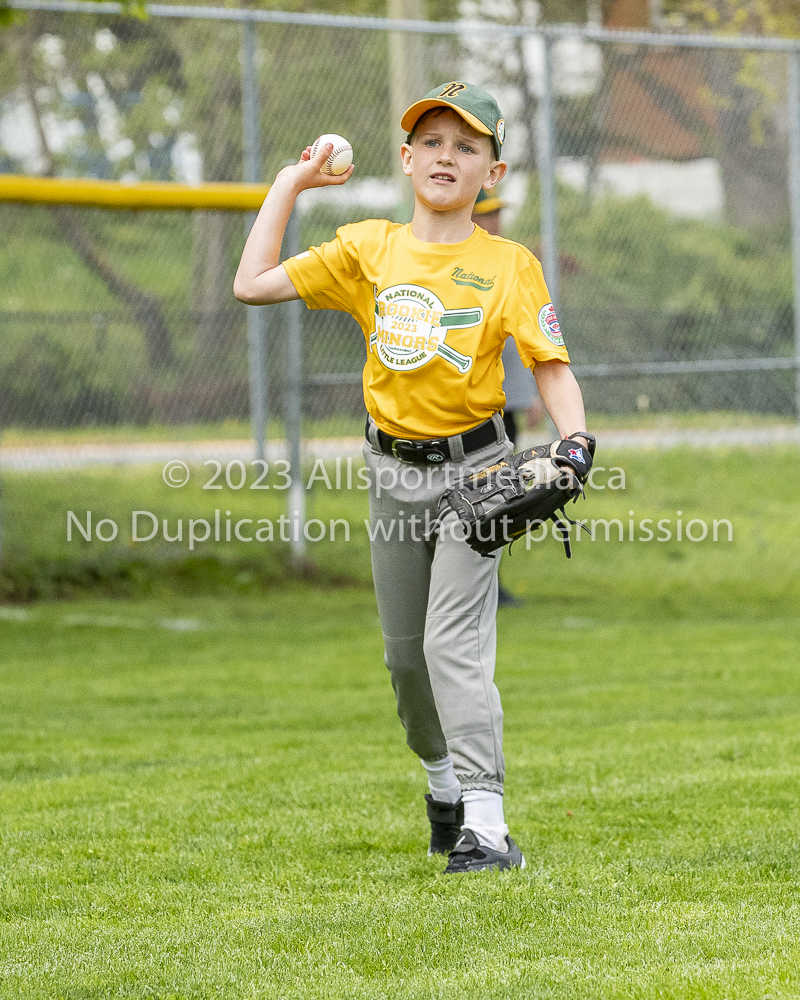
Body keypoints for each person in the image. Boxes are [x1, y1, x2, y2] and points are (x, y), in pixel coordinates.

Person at [234, 82, 592, 873]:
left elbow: (550, 365)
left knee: (450, 646)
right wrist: (292, 183)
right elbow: (252, 283)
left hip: (478, 476)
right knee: (404, 659)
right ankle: (442, 790)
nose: (445, 156)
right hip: (392, 474)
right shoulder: (369, 248)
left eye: (467, 147)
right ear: (404, 160)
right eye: (431, 142)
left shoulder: (509, 265)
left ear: (491, 175)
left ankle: (488, 825)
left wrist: (577, 441)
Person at [471, 188, 545, 608]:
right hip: (476, 407)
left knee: (496, 497)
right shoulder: (467, 263)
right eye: (488, 213)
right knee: (477, 496)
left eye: (497, 212)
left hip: (506, 404)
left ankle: (489, 585)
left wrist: (529, 394)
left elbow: (522, 341)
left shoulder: (508, 259)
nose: (495, 220)